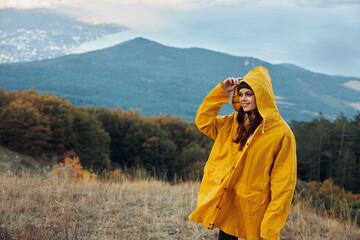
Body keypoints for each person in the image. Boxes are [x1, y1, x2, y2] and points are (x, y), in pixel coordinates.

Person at [188, 66, 297, 240]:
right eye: (241, 94)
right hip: (229, 202)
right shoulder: (233, 123)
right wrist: (221, 91)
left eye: (249, 94)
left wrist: (272, 221)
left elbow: (283, 183)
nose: (243, 99)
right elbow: (203, 121)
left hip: (255, 207)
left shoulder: (281, 133)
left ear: (262, 95)